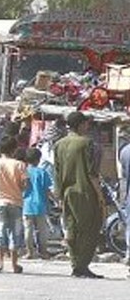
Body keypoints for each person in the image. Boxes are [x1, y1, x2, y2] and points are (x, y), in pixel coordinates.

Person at [53, 111, 104, 278]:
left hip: (67, 192)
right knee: (91, 228)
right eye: (86, 123)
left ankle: (75, 264)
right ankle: (83, 265)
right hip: (86, 191)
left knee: (72, 228)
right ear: (81, 124)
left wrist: (59, 196)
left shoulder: (59, 144)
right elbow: (92, 173)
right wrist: (100, 196)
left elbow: (57, 172)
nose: (88, 126)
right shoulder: (86, 143)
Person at [0, 135, 28, 274]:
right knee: (15, 231)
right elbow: (24, 184)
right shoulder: (20, 165)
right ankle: (15, 264)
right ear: (14, 149)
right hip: (16, 202)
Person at [22, 146, 56, 260]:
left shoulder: (24, 172)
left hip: (26, 204)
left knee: (28, 229)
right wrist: (55, 200)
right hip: (40, 204)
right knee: (42, 230)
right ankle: (43, 251)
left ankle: (30, 251)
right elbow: (47, 190)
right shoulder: (43, 172)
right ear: (39, 159)